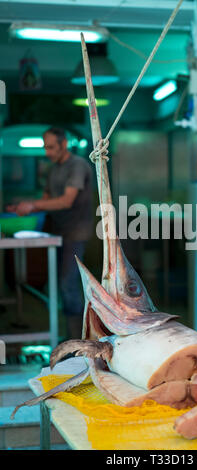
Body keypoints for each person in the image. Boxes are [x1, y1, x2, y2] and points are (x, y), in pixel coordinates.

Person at [8, 127, 94, 339]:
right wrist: (25, 207)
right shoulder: (53, 169)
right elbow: (46, 199)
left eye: (51, 147)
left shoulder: (78, 166)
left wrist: (33, 205)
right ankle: (65, 335)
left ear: (64, 144)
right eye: (45, 147)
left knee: (68, 285)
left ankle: (80, 340)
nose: (47, 152)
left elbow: (67, 200)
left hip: (75, 233)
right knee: (57, 286)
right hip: (56, 233)